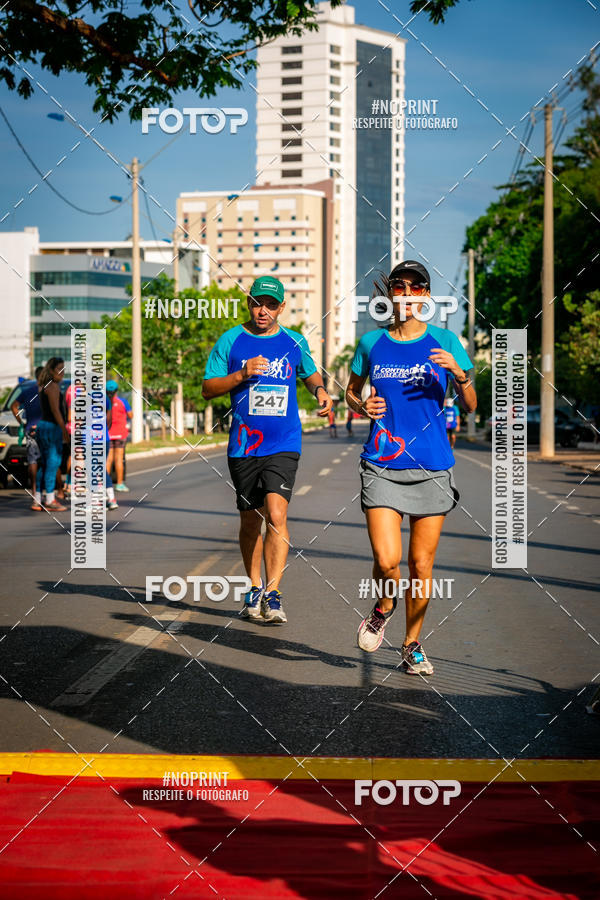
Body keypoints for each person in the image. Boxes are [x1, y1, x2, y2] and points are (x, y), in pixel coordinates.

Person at [345, 260, 477, 674]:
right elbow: (351, 392)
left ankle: (412, 643)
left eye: (414, 287)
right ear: (390, 295)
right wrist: (361, 405)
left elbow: (472, 405)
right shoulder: (371, 343)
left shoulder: (447, 341)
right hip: (382, 464)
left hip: (433, 466)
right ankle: (384, 603)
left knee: (421, 565)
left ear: (425, 295)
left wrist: (460, 375)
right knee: (388, 561)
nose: (405, 293)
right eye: (398, 286)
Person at [202, 275, 333, 624]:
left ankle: (273, 593)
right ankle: (254, 586)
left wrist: (319, 392)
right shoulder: (231, 340)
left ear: (281, 308)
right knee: (251, 520)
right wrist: (241, 374)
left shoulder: (294, 341)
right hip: (244, 445)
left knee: (277, 515)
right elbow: (207, 389)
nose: (264, 310)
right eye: (258, 302)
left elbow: (310, 374)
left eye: (271, 304)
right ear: (249, 302)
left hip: (283, 442)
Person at [34, 357, 69, 512]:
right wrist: (64, 430)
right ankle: (50, 499)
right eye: (59, 368)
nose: (62, 372)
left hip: (42, 426)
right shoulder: (53, 387)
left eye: (63, 368)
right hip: (52, 428)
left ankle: (37, 499)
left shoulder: (42, 385)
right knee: (53, 463)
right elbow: (55, 411)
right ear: (51, 370)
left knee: (44, 463)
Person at [10, 368, 43, 502]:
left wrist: (21, 422)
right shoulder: (50, 391)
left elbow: (13, 406)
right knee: (49, 460)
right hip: (46, 429)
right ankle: (53, 491)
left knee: (32, 461)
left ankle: (34, 490)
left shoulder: (27, 391)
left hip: (30, 429)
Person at [106, 379, 132, 492]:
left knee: (108, 460)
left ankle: (105, 485)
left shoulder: (103, 402)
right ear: (117, 390)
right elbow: (131, 415)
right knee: (119, 459)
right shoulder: (123, 401)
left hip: (108, 434)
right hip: (121, 434)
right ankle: (120, 484)